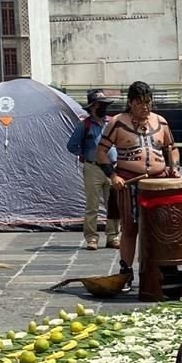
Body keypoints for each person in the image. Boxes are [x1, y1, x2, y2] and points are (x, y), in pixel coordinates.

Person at [95, 81, 179, 291]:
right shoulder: (117, 122)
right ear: (130, 103)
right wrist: (112, 175)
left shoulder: (160, 122)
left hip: (158, 183)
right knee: (130, 228)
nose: (145, 107)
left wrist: (174, 167)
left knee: (160, 229)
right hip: (129, 183)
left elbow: (171, 148)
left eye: (148, 102)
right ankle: (126, 271)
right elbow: (101, 152)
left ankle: (160, 269)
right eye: (140, 103)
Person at [67, 89, 120, 251]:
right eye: (99, 104)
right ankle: (91, 238)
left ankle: (113, 237)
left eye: (104, 104)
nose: (103, 107)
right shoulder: (84, 125)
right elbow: (71, 146)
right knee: (92, 205)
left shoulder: (112, 123)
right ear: (92, 107)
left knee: (114, 205)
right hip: (93, 168)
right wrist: (84, 154)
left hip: (112, 168)